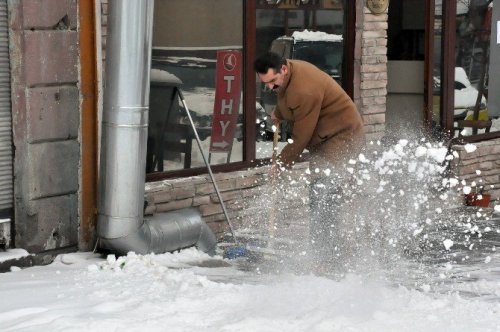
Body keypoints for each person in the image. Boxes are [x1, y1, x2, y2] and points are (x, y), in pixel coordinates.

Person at [254, 51, 365, 272]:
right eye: (265, 84)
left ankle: (327, 258)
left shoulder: (304, 89)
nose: (270, 88)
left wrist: (282, 163)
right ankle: (326, 252)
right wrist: (279, 112)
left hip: (341, 136)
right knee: (322, 193)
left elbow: (302, 136)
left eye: (272, 82)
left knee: (324, 194)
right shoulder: (291, 74)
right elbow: (289, 100)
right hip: (325, 136)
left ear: (283, 69)